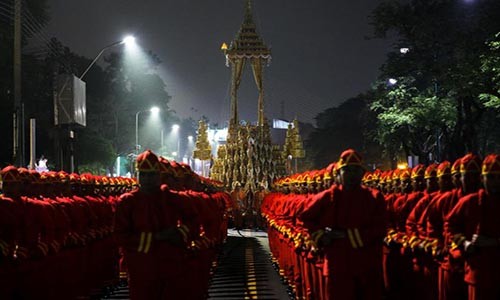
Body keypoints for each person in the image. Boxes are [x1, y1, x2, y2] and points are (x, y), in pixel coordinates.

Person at [299, 149, 387, 300]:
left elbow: (380, 228)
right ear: (338, 174)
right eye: (347, 170)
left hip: (366, 262)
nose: (352, 174)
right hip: (337, 262)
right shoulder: (328, 197)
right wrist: (321, 236)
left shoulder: (374, 198)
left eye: (356, 170)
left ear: (362, 173)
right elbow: (305, 217)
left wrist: (347, 235)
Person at [114, 150, 184, 299]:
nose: (147, 179)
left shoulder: (172, 198)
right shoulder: (127, 201)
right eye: (143, 175)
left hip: (170, 264)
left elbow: (193, 221)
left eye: (151, 175)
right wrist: (156, 237)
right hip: (141, 266)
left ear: (159, 175)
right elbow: (120, 236)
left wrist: (180, 234)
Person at [445, 154, 500, 300]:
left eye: (498, 178)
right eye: (491, 177)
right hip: (478, 273)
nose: (496, 182)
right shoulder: (469, 202)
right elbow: (450, 226)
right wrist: (464, 242)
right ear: (483, 179)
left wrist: (493, 242)